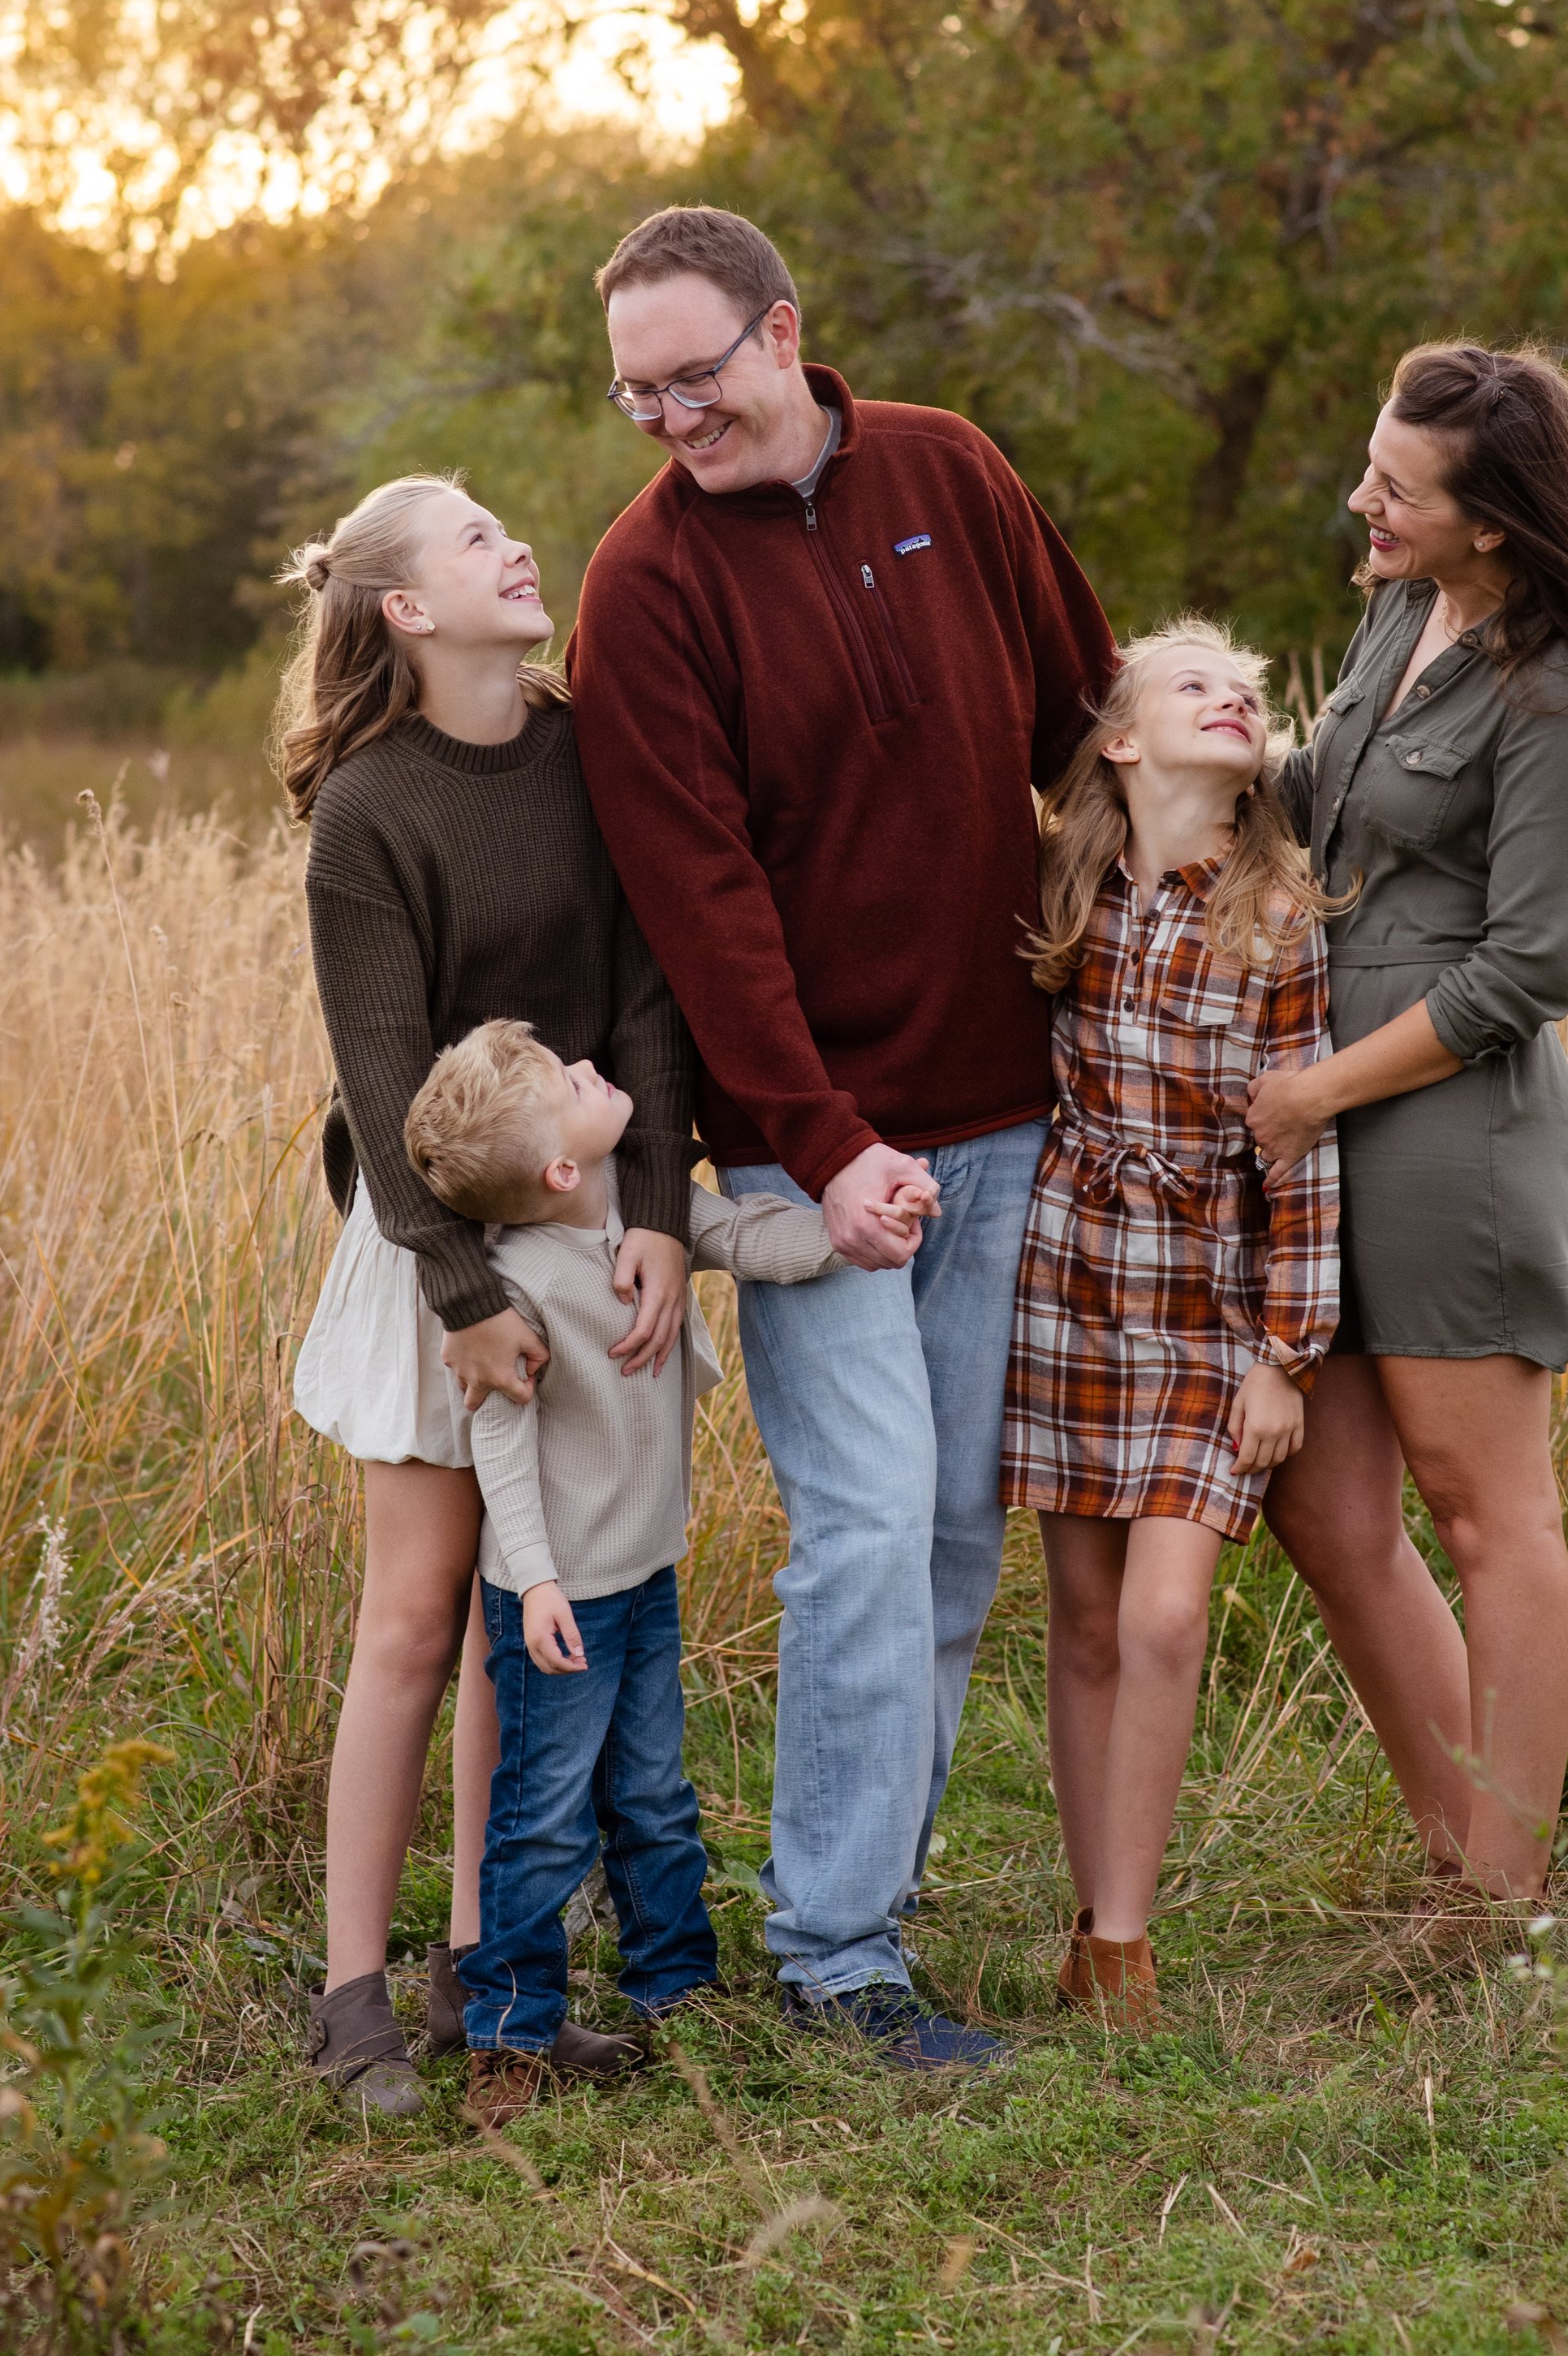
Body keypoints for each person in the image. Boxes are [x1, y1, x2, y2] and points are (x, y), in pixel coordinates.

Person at [569, 205, 1117, 2068]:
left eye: (694, 375)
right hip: (811, 1163)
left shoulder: (949, 472)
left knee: (954, 1533)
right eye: (635, 390)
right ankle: (832, 1962)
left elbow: (1082, 721)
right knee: (867, 1529)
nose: (668, 416)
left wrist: (1129, 990)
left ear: (782, 331)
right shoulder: (643, 590)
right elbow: (698, 897)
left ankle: (860, 1901)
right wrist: (818, 1134)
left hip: (1011, 1114)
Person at [1246, 345, 1568, 1903]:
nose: (1359, 500)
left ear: (1494, 522)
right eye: (1372, 465)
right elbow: (1322, 796)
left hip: (1451, 1132)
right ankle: (1467, 1840)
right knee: (1325, 1502)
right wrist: (1175, 745)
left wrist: (1313, 1091)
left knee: (1482, 1506)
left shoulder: (1559, 694)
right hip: (1328, 1117)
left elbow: (1528, 969)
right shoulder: (1398, 608)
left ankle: (1502, 1900)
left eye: (1396, 487)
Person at [279, 475, 696, 2114]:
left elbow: (650, 993)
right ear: (402, 607)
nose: (513, 545)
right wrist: (460, 1296)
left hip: (589, 1244)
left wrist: (655, 1214)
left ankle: (484, 1968)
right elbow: (381, 1090)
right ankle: (350, 1999)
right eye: (470, 538)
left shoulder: (589, 750)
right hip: (426, 1259)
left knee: (516, 1626)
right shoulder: (368, 813)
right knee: (412, 1614)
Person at [401, 1017, 842, 2126]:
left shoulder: (644, 1218)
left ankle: (674, 1984)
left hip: (645, 1570)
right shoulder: (517, 1284)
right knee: (543, 1812)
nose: (594, 1067)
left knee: (653, 1789)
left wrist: (847, 1225)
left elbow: (748, 1236)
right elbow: (497, 1443)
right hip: (555, 1594)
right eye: (571, 1079)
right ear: (560, 1164)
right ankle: (511, 2026)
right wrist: (538, 1583)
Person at [1003, 623, 1339, 2027]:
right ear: (1123, 744)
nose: (1235, 697)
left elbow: (1304, 1154)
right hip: (1073, 1281)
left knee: (1164, 1611)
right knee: (1081, 1619)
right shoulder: (1064, 889)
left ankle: (1130, 1947)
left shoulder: (1276, 916)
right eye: (1195, 685)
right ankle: (1089, 1925)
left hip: (1209, 1303)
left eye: (1246, 689)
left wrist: (1285, 1352)